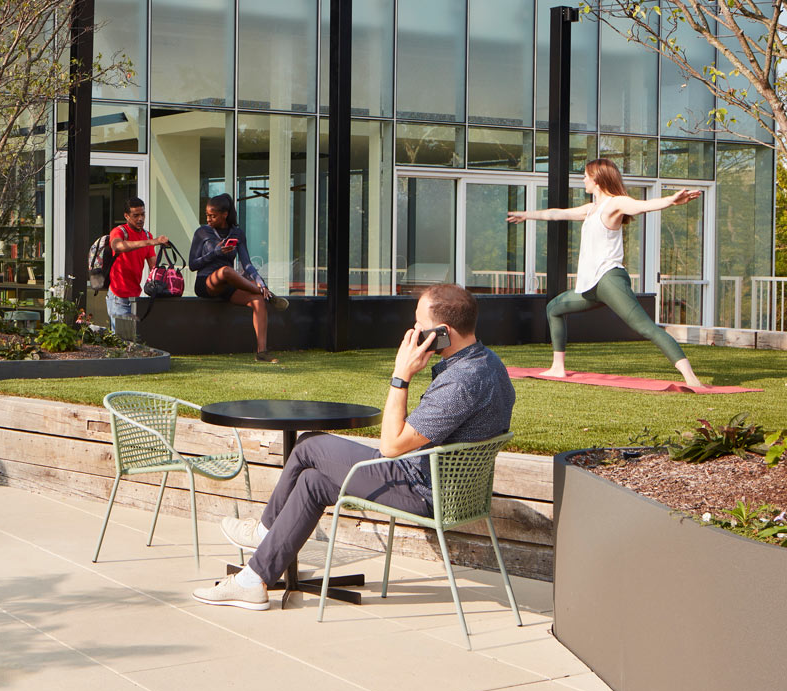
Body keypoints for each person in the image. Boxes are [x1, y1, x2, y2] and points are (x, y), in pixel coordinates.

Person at [194, 284, 515, 610]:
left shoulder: (461, 381)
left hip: (422, 488)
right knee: (312, 483)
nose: (414, 330)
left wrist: (400, 376)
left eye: (419, 324)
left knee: (309, 445)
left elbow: (391, 446)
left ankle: (264, 532)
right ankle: (254, 580)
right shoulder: (489, 364)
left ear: (441, 332)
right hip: (445, 485)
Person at [507, 158, 706, 388]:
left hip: (609, 280)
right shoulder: (592, 209)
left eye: (585, 175)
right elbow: (556, 214)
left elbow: (641, 206)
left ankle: (691, 378)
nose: (583, 179)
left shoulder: (615, 204)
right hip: (591, 286)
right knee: (554, 308)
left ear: (597, 180)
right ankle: (557, 367)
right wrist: (527, 215)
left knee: (646, 328)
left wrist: (671, 201)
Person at [188, 193, 287, 363]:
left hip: (228, 285)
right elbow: (192, 265)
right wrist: (215, 253)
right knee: (226, 270)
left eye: (213, 216)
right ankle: (269, 295)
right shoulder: (202, 232)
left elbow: (247, 264)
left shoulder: (237, 233)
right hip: (206, 282)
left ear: (225, 214)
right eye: (207, 215)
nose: (209, 219)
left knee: (257, 300)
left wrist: (260, 281)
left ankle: (262, 352)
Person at [106, 198, 167, 337]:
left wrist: (165, 280)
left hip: (136, 296)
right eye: (136, 215)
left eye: (143, 214)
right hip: (118, 296)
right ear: (126, 216)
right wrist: (151, 242)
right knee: (122, 339)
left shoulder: (146, 235)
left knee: (132, 339)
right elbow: (118, 246)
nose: (140, 219)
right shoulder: (119, 232)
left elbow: (153, 266)